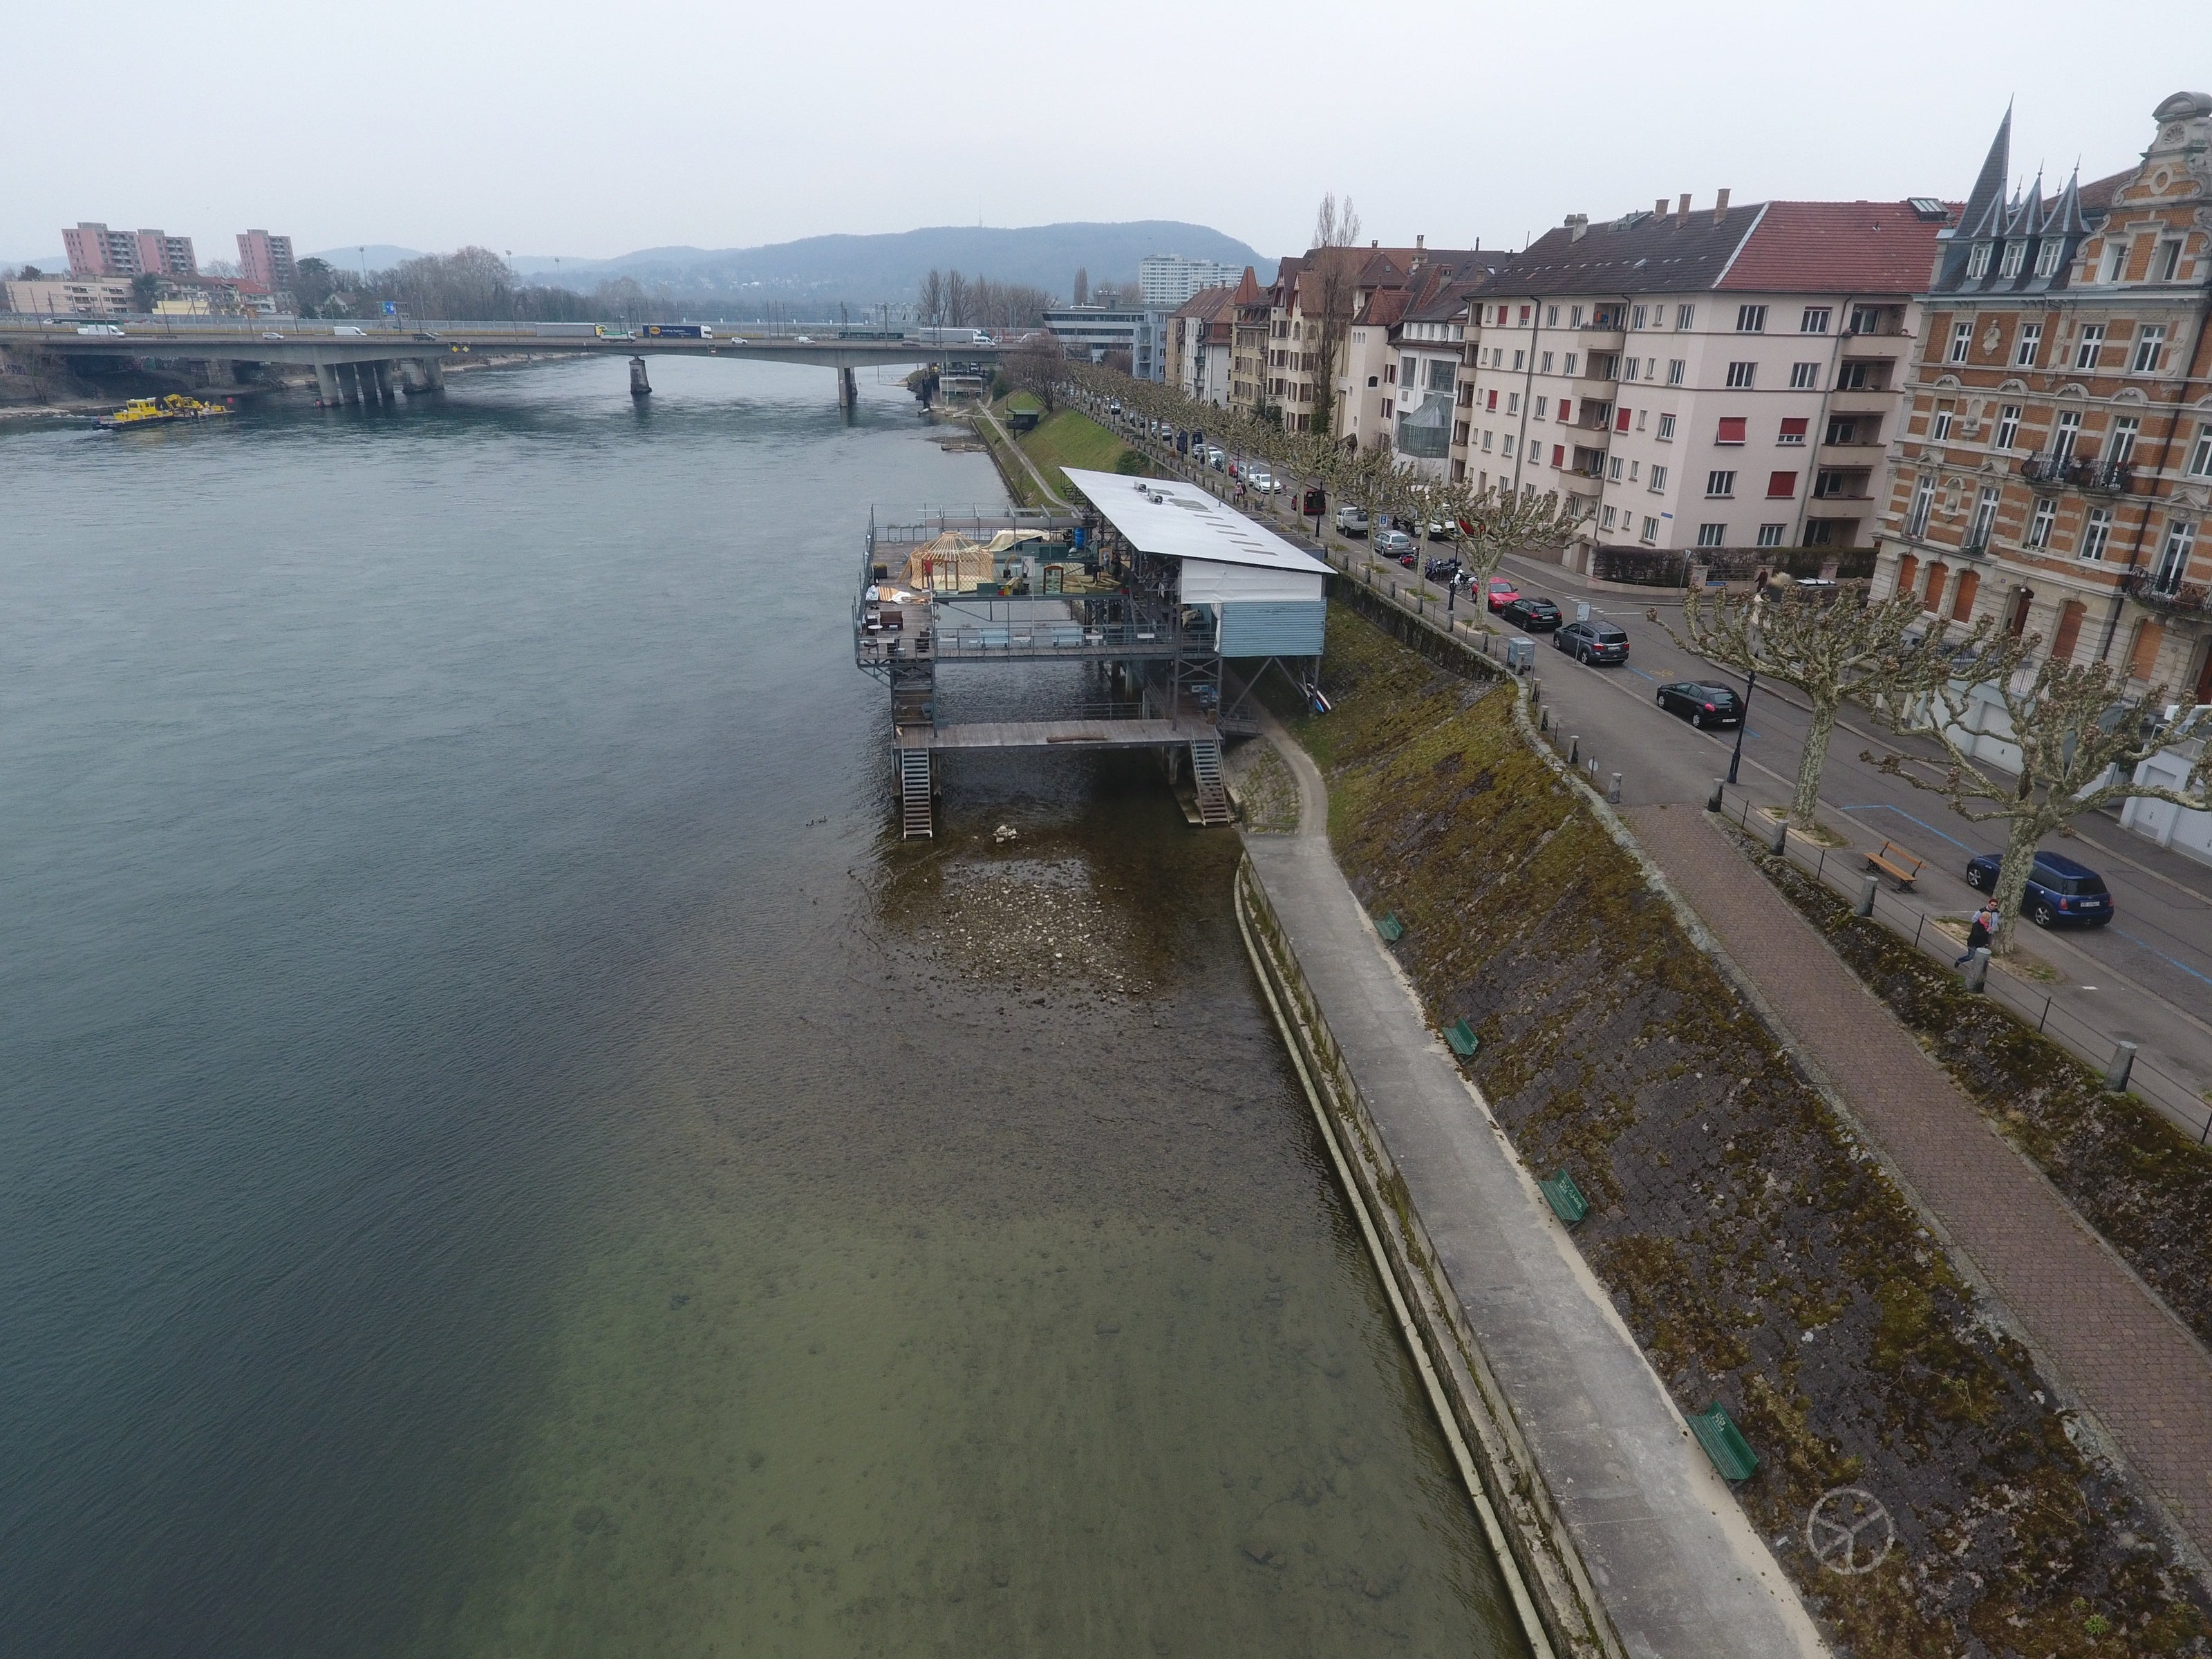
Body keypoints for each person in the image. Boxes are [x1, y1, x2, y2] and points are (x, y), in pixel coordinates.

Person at [1956, 901, 1998, 967]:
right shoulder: (1977, 925)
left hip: (1981, 944)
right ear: (1983, 918)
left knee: (1980, 957)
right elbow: (1977, 935)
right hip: (1973, 943)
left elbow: (1985, 936)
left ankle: (1976, 968)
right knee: (1970, 956)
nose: (1988, 921)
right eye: (1988, 920)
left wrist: (1986, 942)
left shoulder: (1986, 925)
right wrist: (1986, 931)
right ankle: (1959, 960)